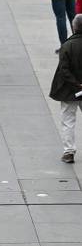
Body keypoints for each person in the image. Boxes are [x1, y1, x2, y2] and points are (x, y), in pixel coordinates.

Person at [50, 14, 82, 163]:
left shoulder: (67, 46)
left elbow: (64, 70)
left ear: (74, 27)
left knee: (68, 120)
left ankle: (69, 152)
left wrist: (76, 84)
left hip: (70, 90)